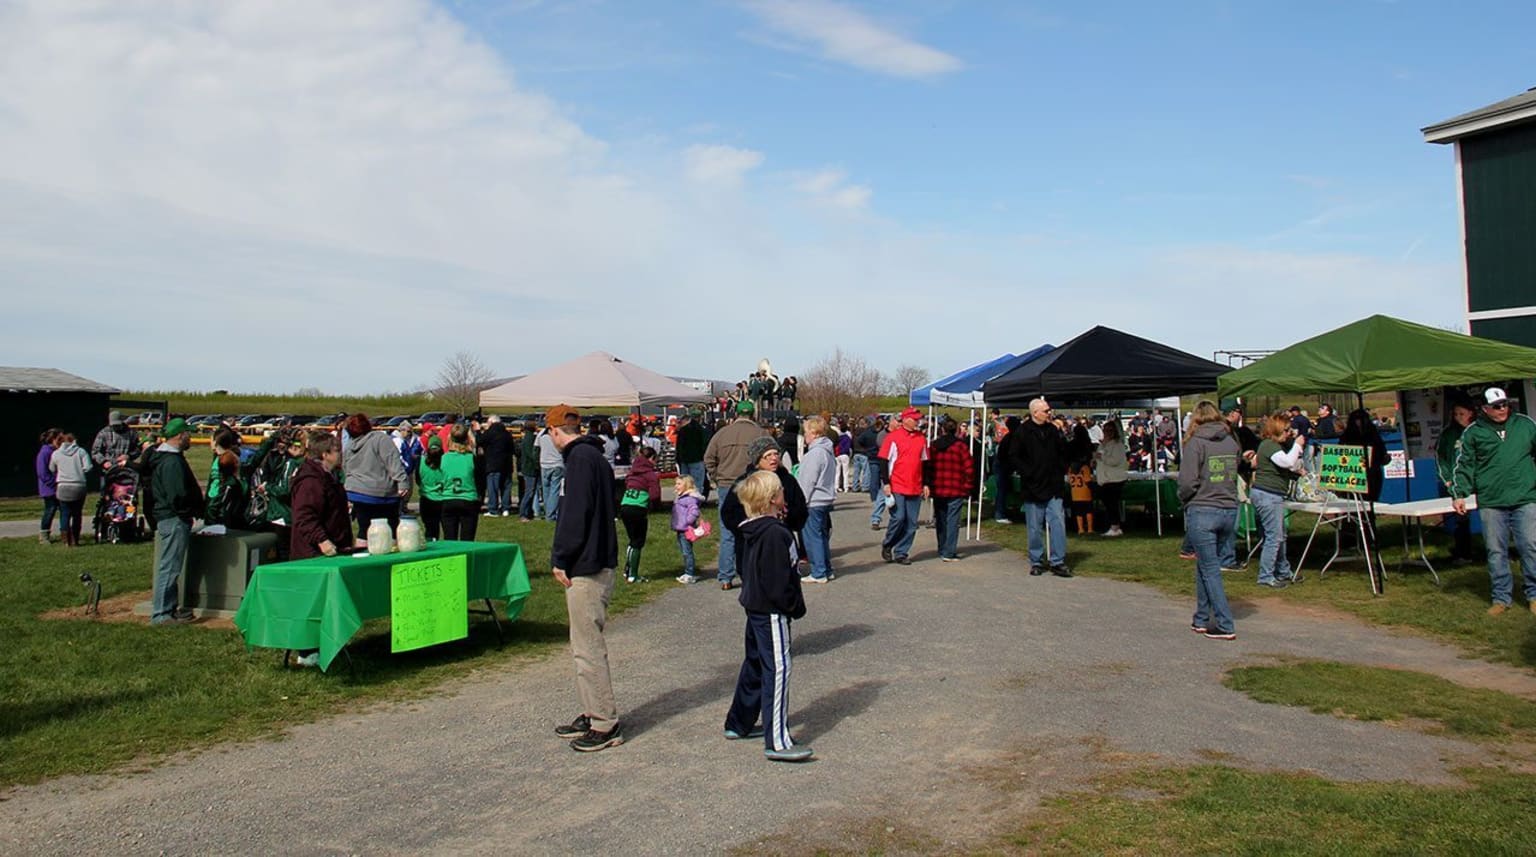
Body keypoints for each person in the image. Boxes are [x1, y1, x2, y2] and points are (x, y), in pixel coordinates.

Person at [546, 404, 624, 753]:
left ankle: (605, 722)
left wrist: (561, 556)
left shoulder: (578, 461)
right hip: (599, 555)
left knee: (586, 647)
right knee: (583, 643)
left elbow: (574, 515)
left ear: (554, 431)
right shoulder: (596, 457)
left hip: (586, 564)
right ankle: (593, 710)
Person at [722, 470, 813, 763]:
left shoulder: (754, 528)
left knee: (756, 663)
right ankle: (779, 741)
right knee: (779, 668)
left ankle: (739, 722)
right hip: (771, 609)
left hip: (756, 604)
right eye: (781, 491)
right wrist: (793, 607)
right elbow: (779, 580)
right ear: (773, 499)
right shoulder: (776, 533)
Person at [1451, 387, 1536, 616]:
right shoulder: (1473, 432)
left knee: (1530, 546)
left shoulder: (1525, 425)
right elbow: (1464, 465)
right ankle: (1501, 598)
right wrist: (1460, 494)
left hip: (1525, 496)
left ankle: (1534, 595)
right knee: (1496, 551)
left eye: (1505, 404)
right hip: (1492, 500)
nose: (1502, 409)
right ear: (1485, 409)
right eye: (1496, 406)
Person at [1178, 402, 1242, 640]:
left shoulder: (1195, 443)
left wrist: (1184, 499)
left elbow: (1187, 482)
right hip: (1228, 508)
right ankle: (1201, 618)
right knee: (1205, 565)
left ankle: (1225, 624)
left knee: (1210, 569)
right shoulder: (1230, 441)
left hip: (1203, 507)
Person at [143, 419, 203, 625]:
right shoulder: (171, 462)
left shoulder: (168, 458)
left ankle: (169, 608)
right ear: (180, 435)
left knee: (171, 566)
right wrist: (187, 512)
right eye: (188, 434)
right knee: (169, 567)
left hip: (172, 517)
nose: (191, 438)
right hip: (174, 518)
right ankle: (161, 614)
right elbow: (177, 494)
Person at [704, 400, 769, 588]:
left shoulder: (721, 434)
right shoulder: (760, 434)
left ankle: (725, 577)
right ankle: (753, 573)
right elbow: (772, 457)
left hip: (726, 485)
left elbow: (709, 458)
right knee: (755, 529)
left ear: (736, 414)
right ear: (752, 415)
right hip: (753, 485)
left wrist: (717, 477)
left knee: (728, 532)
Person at [1014, 399, 1071, 577]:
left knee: (1058, 523)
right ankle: (1036, 560)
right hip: (1033, 486)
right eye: (1046, 410)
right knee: (1034, 527)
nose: (1049, 413)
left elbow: (1063, 451)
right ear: (1035, 412)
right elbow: (1014, 456)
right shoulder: (1022, 432)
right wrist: (1028, 472)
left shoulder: (1053, 430)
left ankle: (1058, 561)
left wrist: (1061, 468)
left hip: (1053, 485)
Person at [1251, 412, 1306, 589]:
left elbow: (1282, 466)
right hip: (1268, 495)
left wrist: (1296, 471)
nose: (1289, 433)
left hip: (1270, 494)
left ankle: (1283, 571)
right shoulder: (1269, 446)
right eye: (1286, 430)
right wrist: (1297, 446)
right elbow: (1287, 462)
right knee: (1274, 537)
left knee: (1279, 536)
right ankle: (1265, 576)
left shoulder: (1272, 446)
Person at [340, 414, 409, 541]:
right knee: (389, 531)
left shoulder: (349, 446)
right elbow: (392, 460)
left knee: (364, 529)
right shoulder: (380, 439)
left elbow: (345, 467)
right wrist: (402, 482)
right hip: (382, 493)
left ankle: (363, 553)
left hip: (358, 493)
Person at [289, 431, 351, 560]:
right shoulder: (311, 481)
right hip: (314, 554)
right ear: (325, 454)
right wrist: (322, 540)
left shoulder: (328, 477)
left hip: (334, 547)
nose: (340, 454)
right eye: (337, 451)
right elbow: (304, 515)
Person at [880, 407, 930, 565]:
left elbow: (925, 462)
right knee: (899, 517)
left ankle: (901, 552)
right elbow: (883, 460)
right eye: (915, 419)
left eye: (918, 419)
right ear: (906, 419)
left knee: (912, 523)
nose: (917, 421)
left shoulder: (921, 438)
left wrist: (926, 484)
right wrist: (886, 483)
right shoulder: (893, 437)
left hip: (915, 485)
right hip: (897, 484)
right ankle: (888, 543)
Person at [924, 417, 975, 562]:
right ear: (956, 429)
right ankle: (949, 551)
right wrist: (968, 486)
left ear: (942, 429)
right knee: (952, 520)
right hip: (956, 488)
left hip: (939, 487)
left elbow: (927, 466)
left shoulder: (933, 446)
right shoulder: (961, 446)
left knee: (941, 519)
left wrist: (928, 483)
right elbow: (969, 468)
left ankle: (942, 548)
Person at [419, 425, 481, 541]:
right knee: (467, 540)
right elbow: (480, 482)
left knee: (449, 540)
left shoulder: (444, 458)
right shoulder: (472, 458)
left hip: (448, 500)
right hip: (468, 500)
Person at [796, 416, 838, 582]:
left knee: (812, 537)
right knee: (821, 536)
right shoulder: (826, 451)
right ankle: (826, 569)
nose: (805, 435)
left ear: (813, 433)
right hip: (824, 499)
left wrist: (801, 501)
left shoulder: (815, 453)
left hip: (814, 500)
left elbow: (808, 481)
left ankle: (819, 571)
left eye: (806, 431)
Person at [1436, 399, 1478, 565]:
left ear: (1470, 414)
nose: (1458, 417)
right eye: (1455, 414)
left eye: (1462, 414)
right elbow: (1441, 458)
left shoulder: (1480, 430)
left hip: (1481, 482)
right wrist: (1447, 479)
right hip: (1458, 484)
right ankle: (1464, 553)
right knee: (1461, 519)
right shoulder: (1448, 434)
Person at [618, 445, 661, 583]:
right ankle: (633, 575)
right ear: (651, 459)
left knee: (632, 540)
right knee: (638, 542)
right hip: (638, 507)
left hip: (625, 505)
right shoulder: (651, 475)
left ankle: (628, 570)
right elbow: (654, 495)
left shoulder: (632, 472)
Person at [49, 432, 93, 547]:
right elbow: (88, 467)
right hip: (78, 485)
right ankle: (75, 539)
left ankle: (66, 540)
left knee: (65, 513)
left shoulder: (56, 453)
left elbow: (51, 468)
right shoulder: (81, 451)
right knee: (77, 514)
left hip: (63, 486)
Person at [205, 427, 249, 529]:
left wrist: (214, 510)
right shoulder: (217, 457)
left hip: (219, 504)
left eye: (211, 440)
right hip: (213, 498)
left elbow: (228, 484)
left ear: (216, 442)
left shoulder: (229, 459)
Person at [1094, 420, 1128, 537]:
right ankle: (1113, 526)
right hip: (1104, 478)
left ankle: (1115, 527)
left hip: (1115, 479)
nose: (1107, 432)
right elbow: (1099, 459)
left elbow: (1115, 461)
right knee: (1108, 504)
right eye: (1106, 430)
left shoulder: (1118, 445)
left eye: (1110, 430)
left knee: (1112, 504)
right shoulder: (1102, 444)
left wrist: (1102, 457)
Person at [671, 474, 706, 584]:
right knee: (684, 551)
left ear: (686, 485)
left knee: (687, 552)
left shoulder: (689, 499)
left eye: (679, 484)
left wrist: (687, 521)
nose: (676, 486)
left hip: (685, 529)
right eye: (676, 483)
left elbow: (694, 511)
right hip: (680, 528)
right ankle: (688, 572)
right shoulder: (681, 497)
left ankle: (689, 573)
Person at [90, 410, 138, 488]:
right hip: (109, 470)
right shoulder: (103, 433)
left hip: (126, 470)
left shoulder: (131, 433)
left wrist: (128, 456)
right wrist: (103, 462)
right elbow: (95, 452)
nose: (115, 427)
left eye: (117, 425)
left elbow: (138, 450)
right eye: (113, 425)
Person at [479, 415, 514, 517]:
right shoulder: (507, 434)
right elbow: (512, 449)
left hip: (493, 464)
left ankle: (493, 509)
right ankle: (506, 508)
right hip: (507, 464)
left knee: (493, 487)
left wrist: (478, 431)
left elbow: (480, 441)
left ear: (491, 422)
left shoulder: (489, 433)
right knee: (506, 487)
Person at [674, 411, 708, 500]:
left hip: (684, 460)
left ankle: (684, 501)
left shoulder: (682, 431)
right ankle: (695, 502)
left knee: (684, 483)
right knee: (697, 484)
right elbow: (704, 443)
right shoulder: (699, 429)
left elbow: (679, 446)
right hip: (697, 459)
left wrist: (678, 459)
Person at [992, 417, 1021, 524]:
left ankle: (1006, 509)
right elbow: (1006, 455)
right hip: (1002, 466)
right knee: (1002, 490)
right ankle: (999, 514)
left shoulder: (1010, 437)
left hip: (1004, 465)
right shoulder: (1011, 438)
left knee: (1005, 489)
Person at [36, 429, 60, 544]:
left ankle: (66, 532)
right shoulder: (45, 452)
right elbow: (42, 473)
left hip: (57, 487)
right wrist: (54, 483)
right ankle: (44, 535)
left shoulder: (56, 451)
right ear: (53, 439)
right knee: (50, 510)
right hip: (49, 489)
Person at [518, 420, 542, 521]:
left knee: (531, 491)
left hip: (528, 467)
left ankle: (529, 513)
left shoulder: (528, 437)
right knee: (529, 492)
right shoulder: (530, 438)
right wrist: (537, 463)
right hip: (530, 468)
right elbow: (531, 454)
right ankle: (523, 513)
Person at [852, 416, 877, 495]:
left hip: (856, 452)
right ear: (866, 424)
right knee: (866, 471)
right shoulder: (866, 432)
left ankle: (855, 486)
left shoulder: (855, 432)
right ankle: (865, 486)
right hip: (864, 452)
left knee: (856, 471)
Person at [1068, 460, 1094, 534]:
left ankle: (1080, 529)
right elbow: (1087, 480)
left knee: (1078, 513)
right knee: (1088, 511)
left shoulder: (1070, 469)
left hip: (1075, 494)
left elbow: (1069, 481)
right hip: (1085, 494)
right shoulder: (1085, 468)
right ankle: (1090, 529)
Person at [834, 421, 853, 492]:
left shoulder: (837, 436)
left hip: (837, 455)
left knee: (837, 472)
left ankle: (836, 487)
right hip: (845, 454)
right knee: (845, 472)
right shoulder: (847, 437)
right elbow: (849, 446)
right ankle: (846, 487)